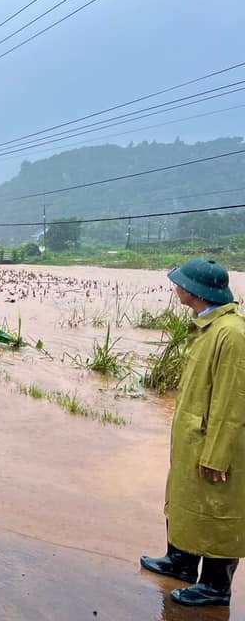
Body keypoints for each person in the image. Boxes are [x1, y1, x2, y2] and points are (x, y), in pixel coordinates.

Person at [140, 258, 245, 608]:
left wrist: (217, 453)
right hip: (193, 437)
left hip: (214, 442)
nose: (176, 287)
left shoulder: (231, 333)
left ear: (195, 290)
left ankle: (216, 586)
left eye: (180, 282)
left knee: (217, 510)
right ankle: (181, 562)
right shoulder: (207, 326)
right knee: (186, 501)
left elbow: (234, 401)